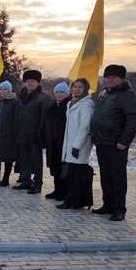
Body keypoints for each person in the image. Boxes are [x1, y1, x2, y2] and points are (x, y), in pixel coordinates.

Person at [90, 65, 136, 221]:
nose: (110, 80)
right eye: (108, 77)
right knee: (106, 176)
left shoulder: (128, 95)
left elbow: (134, 119)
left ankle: (119, 209)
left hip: (116, 144)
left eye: (114, 77)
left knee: (118, 177)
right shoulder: (104, 94)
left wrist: (124, 141)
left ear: (122, 79)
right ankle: (108, 205)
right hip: (102, 143)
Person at [56, 78, 96, 210]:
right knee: (72, 174)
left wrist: (77, 146)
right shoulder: (71, 103)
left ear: (85, 89)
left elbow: (85, 126)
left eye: (80, 87)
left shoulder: (87, 104)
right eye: (74, 87)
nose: (76, 89)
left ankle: (73, 201)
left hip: (80, 144)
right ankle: (74, 200)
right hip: (70, 142)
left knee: (78, 174)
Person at [13, 70, 51, 194]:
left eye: (32, 81)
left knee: (36, 160)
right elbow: (17, 115)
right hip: (22, 132)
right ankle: (25, 179)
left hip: (35, 134)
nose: (30, 83)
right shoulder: (21, 96)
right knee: (24, 159)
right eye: (27, 81)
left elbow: (45, 118)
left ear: (37, 82)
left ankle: (38, 183)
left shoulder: (43, 97)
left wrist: (41, 134)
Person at [41, 82, 72, 199]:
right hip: (52, 142)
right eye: (57, 92)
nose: (59, 94)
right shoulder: (52, 106)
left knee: (62, 167)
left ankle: (64, 192)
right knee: (54, 167)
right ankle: (57, 190)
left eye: (62, 92)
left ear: (67, 93)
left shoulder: (68, 106)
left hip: (63, 142)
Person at [0, 81, 20, 187]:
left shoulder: (15, 102)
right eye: (1, 89)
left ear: (9, 90)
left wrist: (15, 134)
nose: (3, 91)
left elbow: (16, 119)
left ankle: (5, 179)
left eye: (5, 89)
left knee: (8, 159)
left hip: (9, 136)